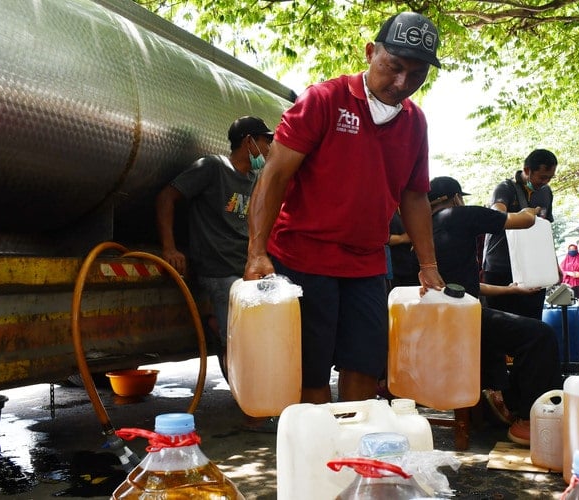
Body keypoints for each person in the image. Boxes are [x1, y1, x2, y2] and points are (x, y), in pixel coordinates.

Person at [242, 12, 445, 405]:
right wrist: (256, 252)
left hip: (367, 263)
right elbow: (274, 176)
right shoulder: (324, 100)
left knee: (364, 365)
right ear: (371, 53)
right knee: (310, 368)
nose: (403, 83)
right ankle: (317, 454)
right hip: (303, 257)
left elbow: (415, 195)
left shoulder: (415, 123)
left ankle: (352, 450)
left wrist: (429, 265)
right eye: (394, 67)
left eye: (417, 75)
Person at [428, 176, 562, 445]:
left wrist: (511, 290)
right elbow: (523, 222)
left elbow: (465, 287)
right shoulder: (460, 214)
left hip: (432, 320)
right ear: (454, 197)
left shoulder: (420, 228)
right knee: (539, 335)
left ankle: (501, 402)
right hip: (462, 318)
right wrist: (531, 210)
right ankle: (528, 419)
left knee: (497, 335)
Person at [156, 115, 273, 376]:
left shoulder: (253, 179)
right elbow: (167, 197)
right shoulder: (212, 167)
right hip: (218, 269)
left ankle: (218, 327)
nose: (268, 149)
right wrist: (169, 248)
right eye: (266, 141)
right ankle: (244, 396)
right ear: (248, 141)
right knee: (238, 341)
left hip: (243, 269)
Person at [482, 149, 558, 319]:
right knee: (503, 323)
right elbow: (497, 216)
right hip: (502, 268)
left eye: (550, 178)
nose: (545, 182)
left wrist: (554, 264)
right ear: (527, 170)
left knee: (532, 323)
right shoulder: (505, 189)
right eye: (542, 177)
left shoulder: (546, 193)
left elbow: (547, 229)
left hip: (533, 268)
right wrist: (524, 216)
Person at [388, 210, 420, 289]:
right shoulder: (385, 211)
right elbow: (380, 239)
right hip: (394, 268)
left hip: (407, 264)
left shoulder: (397, 211)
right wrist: (402, 238)